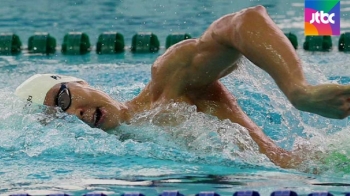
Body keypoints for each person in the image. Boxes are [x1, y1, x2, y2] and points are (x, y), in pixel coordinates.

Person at [15, 6, 350, 169]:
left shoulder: (167, 86)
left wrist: (298, 92)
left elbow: (245, 20)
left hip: (320, 168)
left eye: (63, 99)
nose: (76, 115)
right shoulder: (119, 156)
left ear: (78, 82)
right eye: (61, 116)